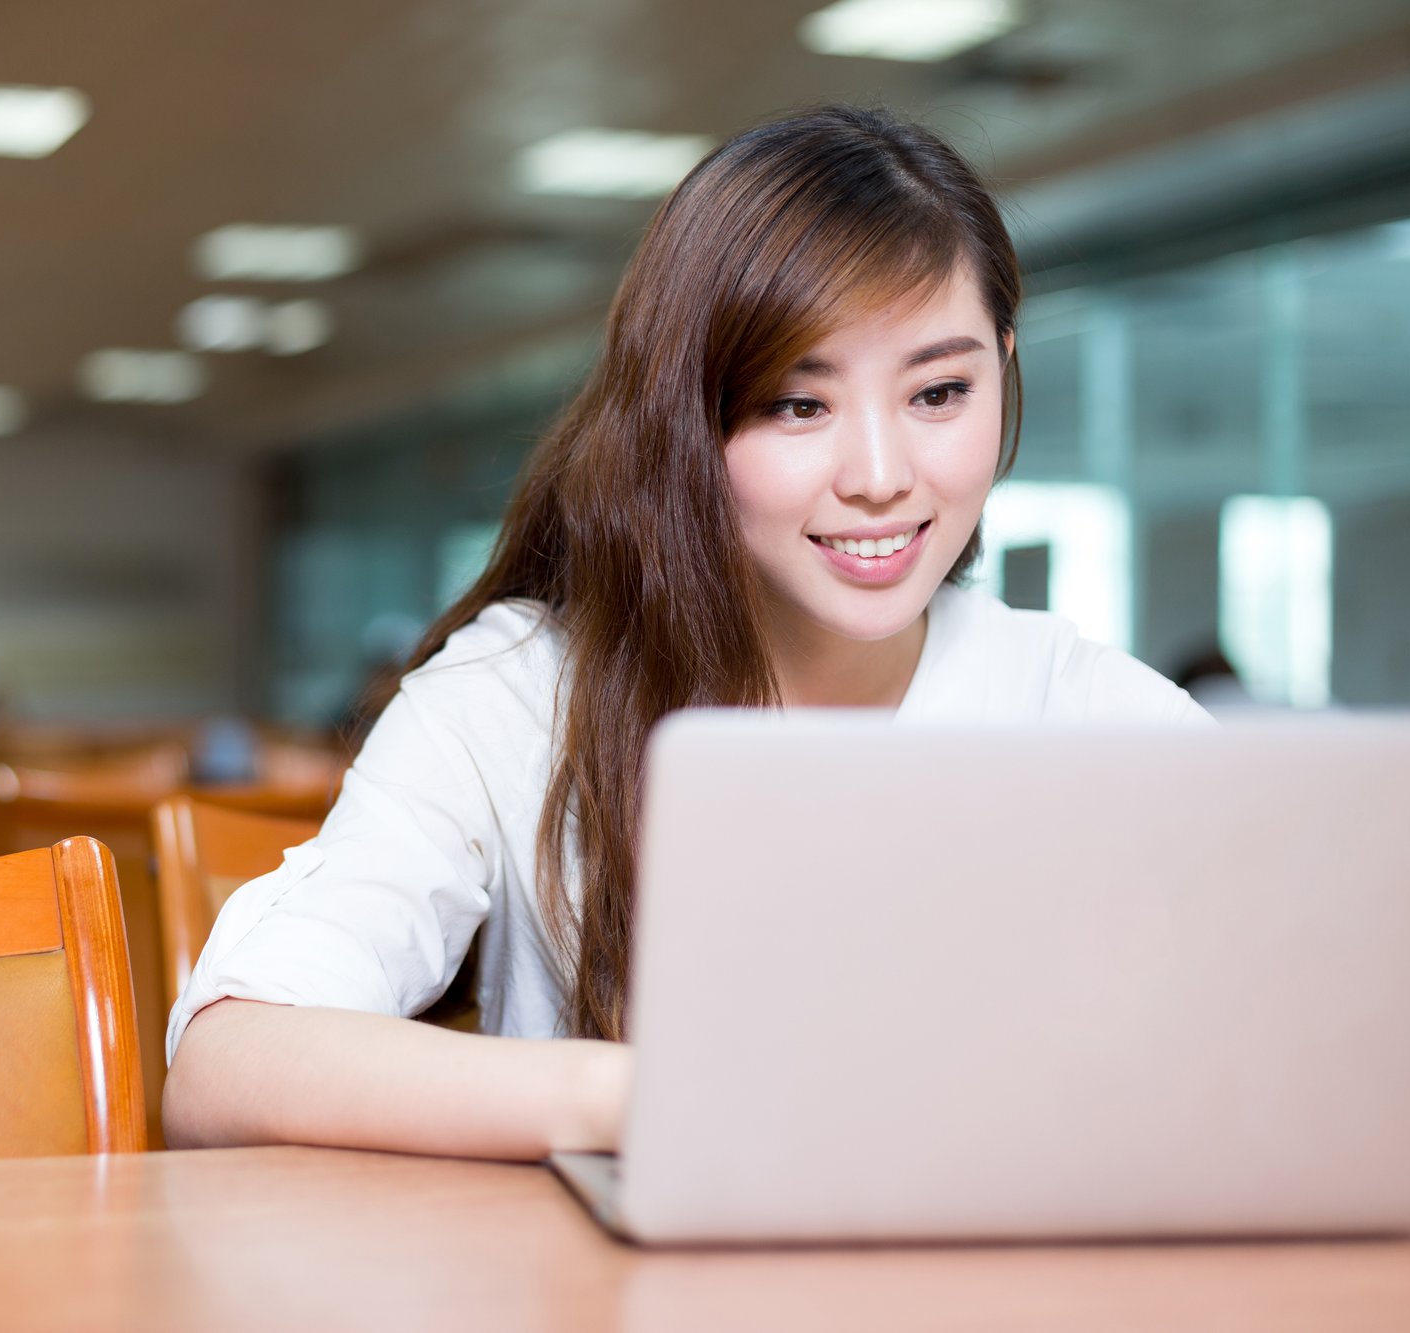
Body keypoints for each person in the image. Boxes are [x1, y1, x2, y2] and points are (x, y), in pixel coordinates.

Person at [163, 106, 1210, 1160]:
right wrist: (641, 1099)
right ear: (682, 420)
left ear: (1003, 363)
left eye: (939, 391)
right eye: (797, 406)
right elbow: (228, 1063)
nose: (880, 475)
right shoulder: (516, 700)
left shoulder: (1087, 714)